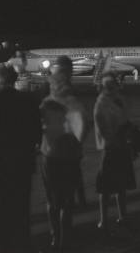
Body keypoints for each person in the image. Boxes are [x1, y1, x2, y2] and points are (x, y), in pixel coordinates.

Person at [0, 66, 41, 252]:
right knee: (21, 205)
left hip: (0, 162)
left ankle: (5, 243)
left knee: (2, 206)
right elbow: (36, 131)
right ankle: (23, 241)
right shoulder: (27, 100)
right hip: (22, 161)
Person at [42, 56, 88, 207]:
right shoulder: (68, 93)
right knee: (72, 172)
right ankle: (77, 198)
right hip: (63, 144)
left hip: (54, 148)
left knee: (57, 189)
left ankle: (74, 199)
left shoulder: (53, 95)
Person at [94, 72, 136, 232]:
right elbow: (102, 127)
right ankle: (104, 219)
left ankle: (122, 216)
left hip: (119, 145)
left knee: (121, 185)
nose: (112, 88)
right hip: (110, 147)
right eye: (109, 85)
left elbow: (125, 121)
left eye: (113, 85)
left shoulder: (117, 100)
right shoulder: (102, 103)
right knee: (106, 187)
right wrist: (113, 139)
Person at [40, 100, 82, 251]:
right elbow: (81, 128)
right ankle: (65, 237)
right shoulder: (69, 108)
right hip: (66, 157)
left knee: (52, 199)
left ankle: (56, 236)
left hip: (50, 157)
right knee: (66, 199)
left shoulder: (44, 109)